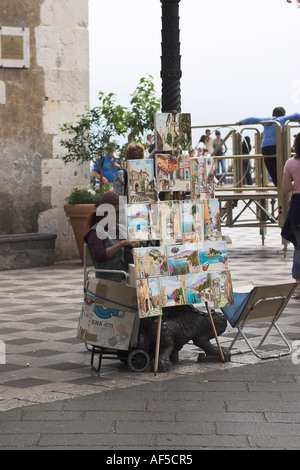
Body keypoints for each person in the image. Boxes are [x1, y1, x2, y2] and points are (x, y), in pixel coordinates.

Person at [84, 191, 139, 283]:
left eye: (121, 212)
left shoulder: (121, 228)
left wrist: (136, 243)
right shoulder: (96, 231)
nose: (119, 216)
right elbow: (99, 256)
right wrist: (122, 243)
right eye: (116, 213)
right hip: (110, 280)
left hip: (128, 276)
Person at [236, 107, 300, 187]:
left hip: (266, 148)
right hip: (278, 147)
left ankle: (278, 186)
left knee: (273, 170)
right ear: (283, 115)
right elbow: (297, 114)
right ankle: (290, 184)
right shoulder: (282, 119)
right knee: (289, 158)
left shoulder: (267, 120)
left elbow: (253, 119)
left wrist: (241, 122)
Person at [281, 132, 300, 299]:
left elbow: (286, 188)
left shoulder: (290, 163)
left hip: (298, 205)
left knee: (299, 247)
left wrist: (295, 184)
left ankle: (299, 285)